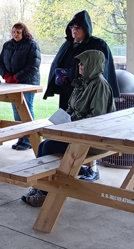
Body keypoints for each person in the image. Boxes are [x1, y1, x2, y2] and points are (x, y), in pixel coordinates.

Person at [22, 50, 115, 207]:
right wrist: (64, 119)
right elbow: (72, 108)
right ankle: (40, 186)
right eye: (79, 62)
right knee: (44, 144)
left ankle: (45, 192)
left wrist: (72, 122)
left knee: (49, 147)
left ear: (92, 64)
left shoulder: (99, 86)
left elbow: (96, 120)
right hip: (77, 134)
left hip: (93, 139)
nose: (79, 65)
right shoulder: (83, 82)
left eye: (83, 62)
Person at [43, 10, 119, 110]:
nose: (74, 29)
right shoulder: (67, 44)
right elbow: (57, 63)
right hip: (67, 89)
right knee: (65, 120)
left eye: (78, 26)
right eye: (72, 26)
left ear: (86, 28)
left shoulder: (97, 45)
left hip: (88, 92)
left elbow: (102, 70)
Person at [0, 22, 41, 150]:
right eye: (13, 32)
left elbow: (33, 65)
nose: (15, 34)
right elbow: (0, 62)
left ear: (24, 32)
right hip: (11, 82)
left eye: (18, 32)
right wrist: (6, 75)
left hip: (27, 82)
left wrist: (17, 77)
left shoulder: (32, 45)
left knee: (26, 109)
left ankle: (29, 140)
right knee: (16, 109)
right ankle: (21, 137)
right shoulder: (7, 45)